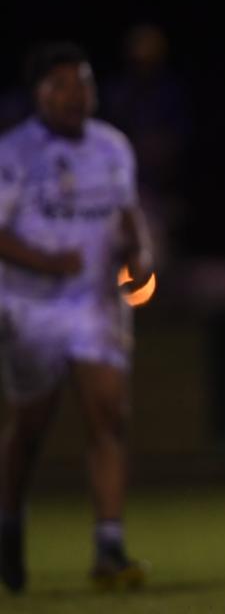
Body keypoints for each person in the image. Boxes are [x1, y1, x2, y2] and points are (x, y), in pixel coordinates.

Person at [0, 43, 152, 593]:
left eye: (83, 83)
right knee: (31, 430)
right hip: (30, 308)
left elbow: (130, 215)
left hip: (95, 306)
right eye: (62, 84)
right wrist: (45, 260)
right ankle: (10, 522)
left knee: (108, 418)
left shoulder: (112, 146)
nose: (75, 95)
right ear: (38, 92)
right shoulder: (14, 152)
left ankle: (109, 546)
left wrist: (139, 256)